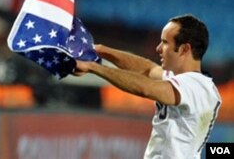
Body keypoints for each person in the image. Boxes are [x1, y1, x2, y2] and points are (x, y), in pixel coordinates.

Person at [73, 14, 222, 159]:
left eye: (165, 42)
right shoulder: (185, 80)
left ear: (184, 49)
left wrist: (94, 67)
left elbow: (146, 88)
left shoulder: (197, 88)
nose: (158, 48)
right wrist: (100, 50)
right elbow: (148, 69)